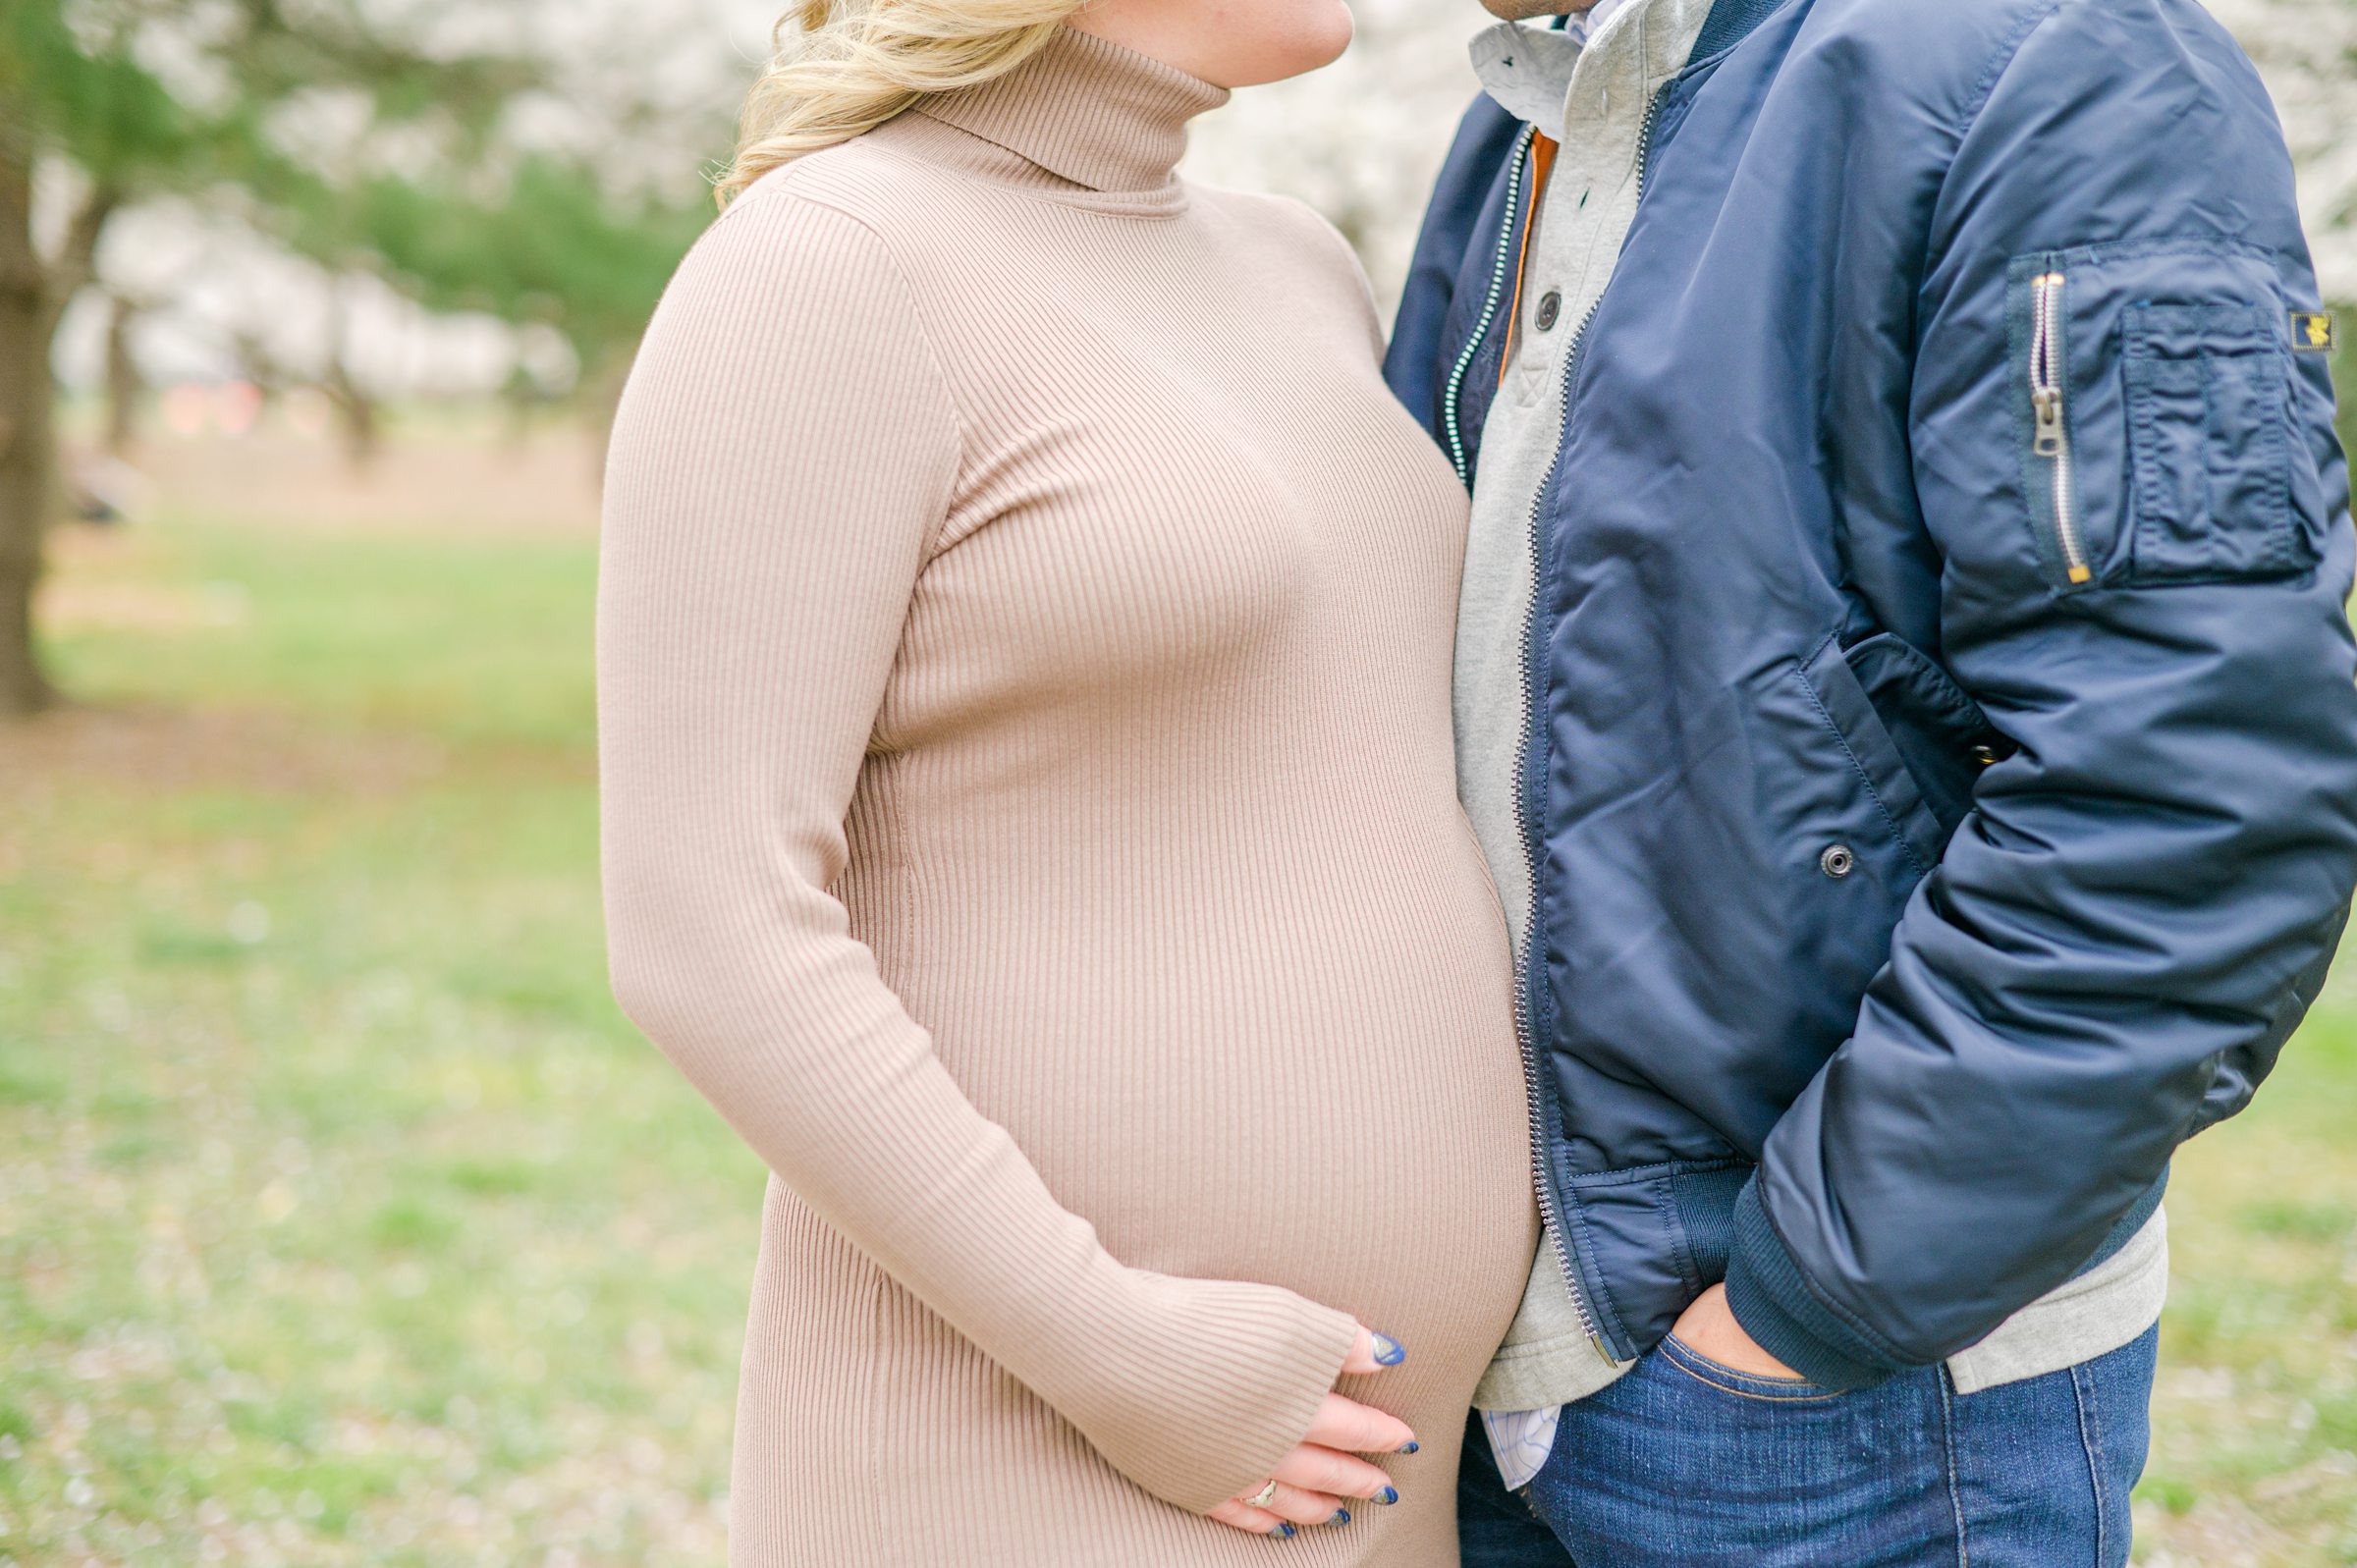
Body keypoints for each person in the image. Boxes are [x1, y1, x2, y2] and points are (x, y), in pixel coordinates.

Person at [1386, 0, 2357, 1563]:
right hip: (1505, 1369)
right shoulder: (1531, 111)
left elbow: (2198, 798)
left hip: (1838, 1401)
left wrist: (1795, 1315)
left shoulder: (2048, 58)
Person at [595, 0, 1542, 1562]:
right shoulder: (825, 265)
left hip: (1373, 1463)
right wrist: (1127, 1359)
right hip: (1035, 1441)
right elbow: (709, 930)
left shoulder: (1294, 259)